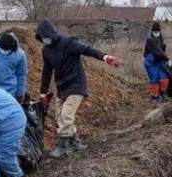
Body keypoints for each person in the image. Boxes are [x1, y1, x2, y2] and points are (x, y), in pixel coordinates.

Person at [36, 20, 119, 157]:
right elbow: (46, 72)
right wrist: (43, 93)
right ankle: (75, 143)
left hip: (76, 84)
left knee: (66, 115)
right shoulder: (46, 51)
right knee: (59, 117)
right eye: (42, 37)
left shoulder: (67, 43)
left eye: (46, 36)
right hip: (61, 86)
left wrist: (104, 56)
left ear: (52, 34)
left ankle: (63, 145)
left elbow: (87, 50)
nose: (45, 39)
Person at [144, 21, 170, 102]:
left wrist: (164, 59)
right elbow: (157, 51)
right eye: (155, 32)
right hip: (150, 61)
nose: (157, 33)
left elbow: (162, 50)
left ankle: (162, 94)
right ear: (152, 32)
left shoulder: (161, 38)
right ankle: (154, 97)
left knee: (164, 77)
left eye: (158, 31)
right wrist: (167, 59)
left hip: (159, 60)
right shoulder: (150, 40)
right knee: (154, 78)